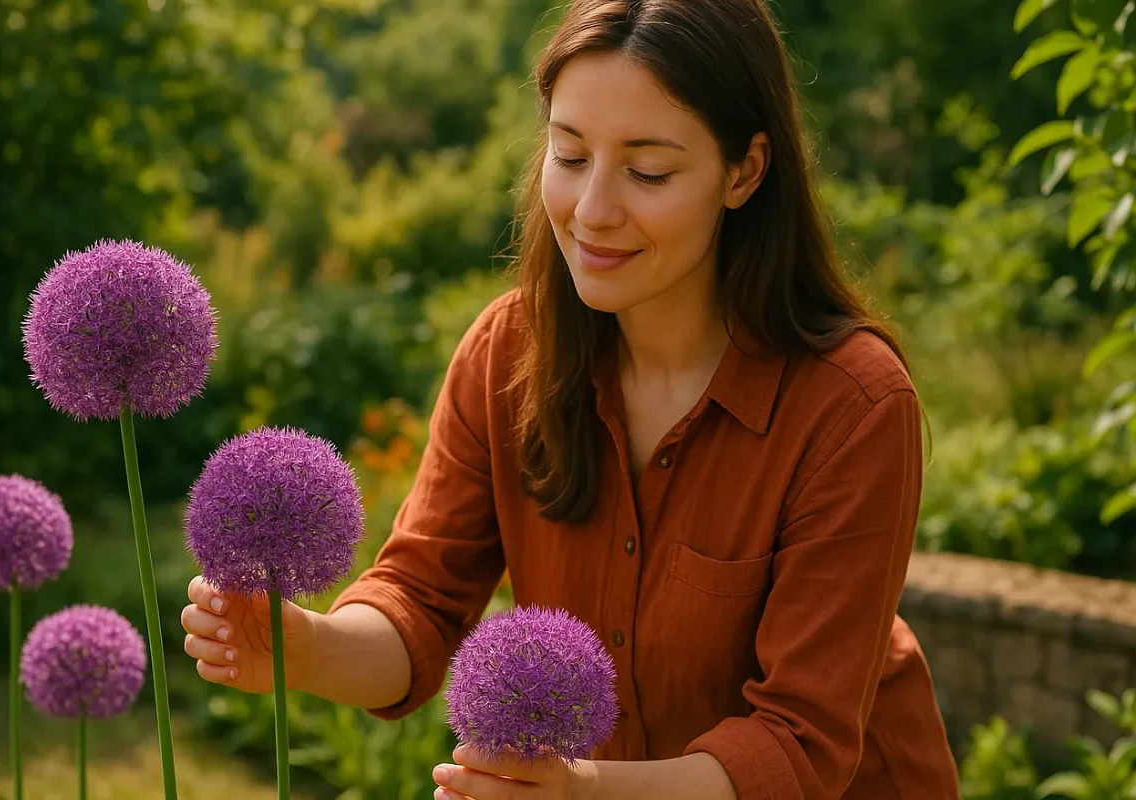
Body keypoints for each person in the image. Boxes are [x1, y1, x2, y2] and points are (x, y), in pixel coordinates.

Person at [180, 0, 962, 797]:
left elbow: (798, 744)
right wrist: (303, 647)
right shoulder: (507, 354)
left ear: (744, 172)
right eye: (571, 154)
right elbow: (421, 600)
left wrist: (582, 792)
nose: (592, 211)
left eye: (648, 172)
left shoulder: (852, 407)